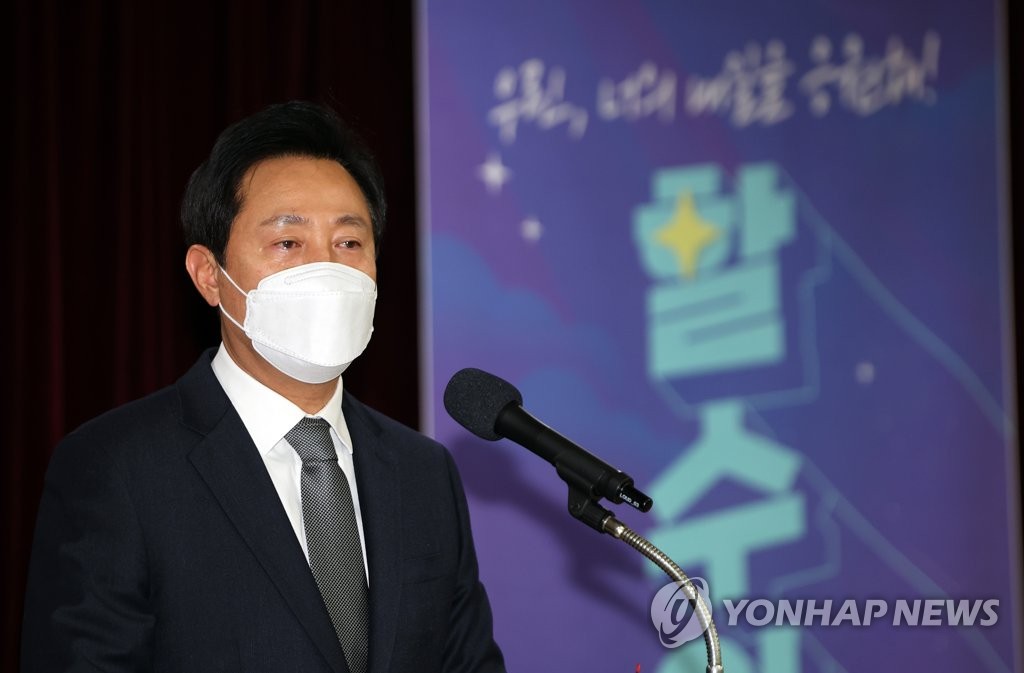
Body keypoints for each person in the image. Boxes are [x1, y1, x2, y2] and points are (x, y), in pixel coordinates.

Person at [21, 101, 506, 673]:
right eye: (288, 243)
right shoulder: (116, 467)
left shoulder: (424, 473)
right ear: (209, 275)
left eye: (349, 244)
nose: (327, 269)